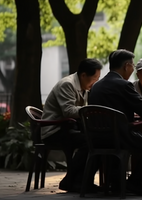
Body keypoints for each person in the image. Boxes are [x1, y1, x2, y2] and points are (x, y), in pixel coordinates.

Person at [88, 49, 142, 196]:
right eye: (133, 65)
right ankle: (135, 183)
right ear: (127, 66)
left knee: (134, 137)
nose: (132, 68)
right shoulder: (123, 85)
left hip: (96, 139)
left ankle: (116, 183)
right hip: (118, 138)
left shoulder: (97, 86)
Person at [41, 58, 103, 192]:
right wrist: (92, 110)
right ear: (83, 75)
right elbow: (68, 111)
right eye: (94, 78)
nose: (96, 82)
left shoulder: (84, 87)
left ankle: (82, 181)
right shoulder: (67, 84)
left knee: (100, 140)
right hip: (54, 130)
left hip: (68, 128)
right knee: (91, 142)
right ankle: (71, 182)